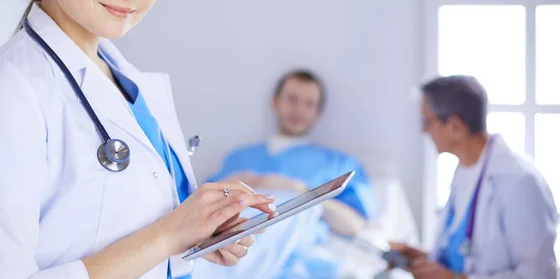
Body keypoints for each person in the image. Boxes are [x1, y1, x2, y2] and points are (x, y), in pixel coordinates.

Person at [0, 0, 277, 278]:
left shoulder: (123, 77)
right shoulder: (7, 90)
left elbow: (126, 226)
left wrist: (199, 234)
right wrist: (170, 235)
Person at [392, 75, 557, 279]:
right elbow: (466, 255)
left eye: (428, 121)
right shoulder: (466, 169)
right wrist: (426, 258)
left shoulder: (520, 182)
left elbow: (540, 275)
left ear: (455, 127)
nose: (424, 131)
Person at [211, 69, 375, 237]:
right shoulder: (239, 158)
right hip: (235, 245)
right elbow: (201, 210)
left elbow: (357, 226)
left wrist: (303, 194)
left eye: (309, 104)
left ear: (318, 113)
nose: (299, 110)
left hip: (298, 254)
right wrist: (229, 187)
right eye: (292, 99)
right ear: (275, 102)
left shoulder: (339, 165)